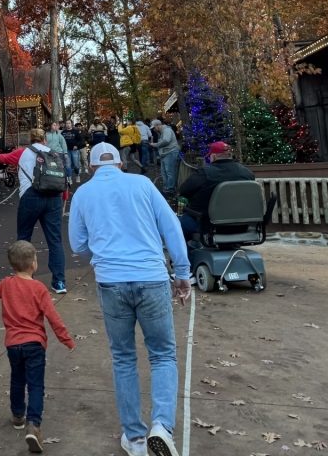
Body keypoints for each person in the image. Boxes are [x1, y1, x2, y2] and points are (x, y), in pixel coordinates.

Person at [68, 143, 191, 456]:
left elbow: (78, 244)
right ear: (120, 164)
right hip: (151, 276)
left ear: (93, 167)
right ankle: (162, 426)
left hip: (111, 281)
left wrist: (100, 254)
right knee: (163, 354)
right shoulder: (143, 184)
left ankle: (134, 438)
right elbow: (171, 227)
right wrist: (182, 273)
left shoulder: (83, 193)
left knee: (123, 358)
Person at [0, 241, 74, 453]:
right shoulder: (39, 288)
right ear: (33, 264)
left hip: (13, 344)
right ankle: (34, 425)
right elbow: (52, 316)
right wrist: (65, 339)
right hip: (35, 343)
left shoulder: (6, 283)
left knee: (17, 379)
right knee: (36, 385)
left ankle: (17, 415)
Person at [17, 128, 67, 294]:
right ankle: (59, 281)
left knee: (24, 238)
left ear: (30, 139)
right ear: (45, 139)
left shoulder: (24, 153)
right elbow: (63, 177)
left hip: (30, 196)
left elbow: (7, 160)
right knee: (55, 240)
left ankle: (25, 280)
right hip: (54, 197)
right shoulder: (54, 154)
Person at [177, 141, 256, 239]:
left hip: (208, 225)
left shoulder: (204, 173)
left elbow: (184, 190)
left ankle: (184, 254)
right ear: (230, 155)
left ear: (213, 156)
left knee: (177, 224)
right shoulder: (247, 173)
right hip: (241, 225)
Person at [153, 120, 180, 200]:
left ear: (158, 125)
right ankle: (166, 189)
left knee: (169, 172)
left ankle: (170, 190)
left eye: (154, 127)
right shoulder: (163, 131)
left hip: (170, 152)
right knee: (165, 172)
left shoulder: (166, 130)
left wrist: (156, 145)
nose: (154, 129)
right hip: (166, 153)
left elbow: (166, 140)